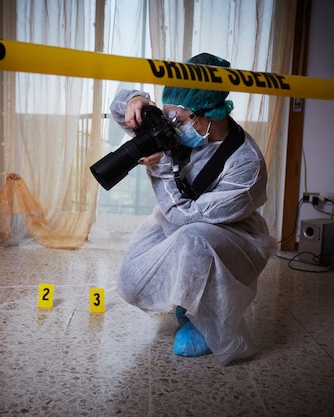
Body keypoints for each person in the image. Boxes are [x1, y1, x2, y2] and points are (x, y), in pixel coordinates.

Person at [109, 52, 277, 365]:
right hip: (179, 223)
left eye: (177, 119)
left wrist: (161, 169)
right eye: (166, 116)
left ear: (206, 117)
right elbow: (121, 111)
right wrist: (135, 101)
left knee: (193, 239)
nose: (170, 127)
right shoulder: (186, 129)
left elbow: (187, 218)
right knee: (133, 280)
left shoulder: (246, 164)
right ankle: (188, 297)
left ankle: (209, 323)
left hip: (232, 238)